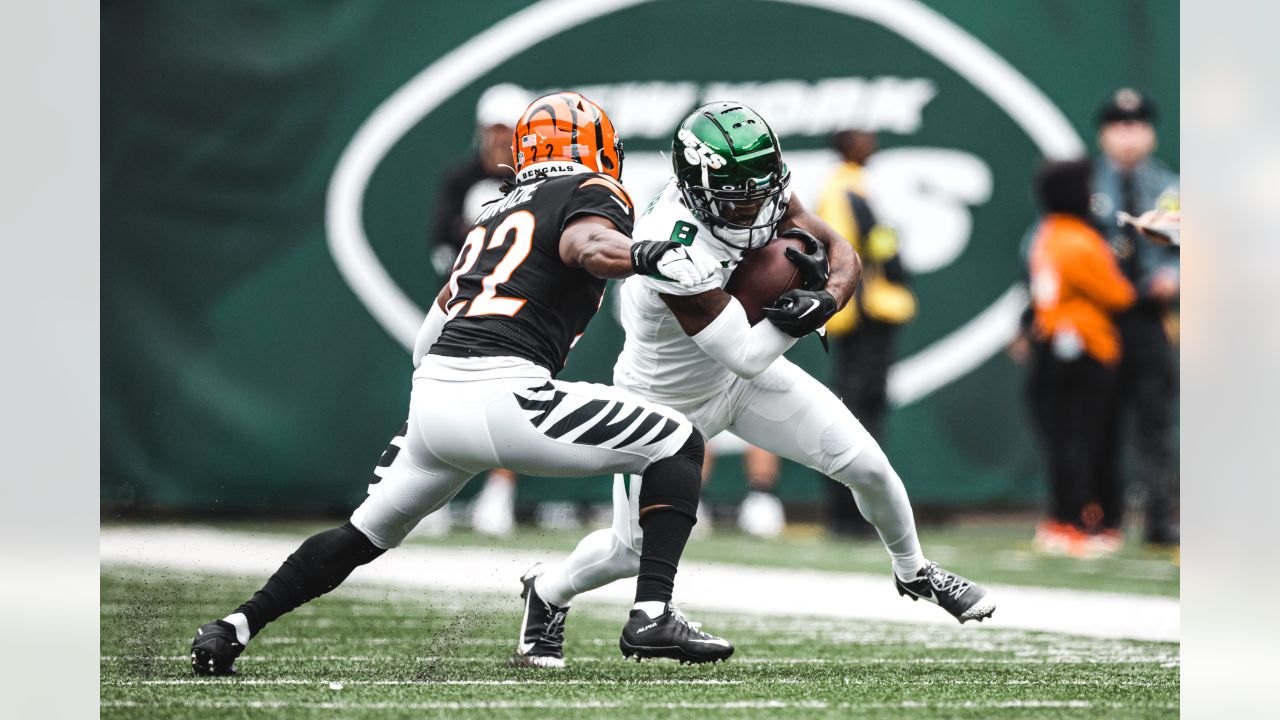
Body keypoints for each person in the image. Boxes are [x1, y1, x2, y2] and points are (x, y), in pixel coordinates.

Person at [189, 92, 735, 675]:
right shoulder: (590, 191)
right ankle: (652, 613)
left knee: (363, 533)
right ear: (593, 146)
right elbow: (587, 245)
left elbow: (434, 328)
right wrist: (649, 253)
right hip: (503, 392)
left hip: (437, 398)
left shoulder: (495, 211)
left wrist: (424, 419)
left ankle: (234, 626)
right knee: (677, 442)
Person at [513, 103, 996, 668]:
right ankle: (547, 591)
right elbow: (742, 353)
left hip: (743, 375)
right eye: (736, 194)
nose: (751, 205)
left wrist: (829, 297)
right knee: (628, 551)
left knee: (867, 465)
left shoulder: (762, 191)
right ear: (697, 186)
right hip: (665, 402)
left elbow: (842, 251)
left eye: (758, 190)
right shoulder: (672, 243)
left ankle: (915, 571)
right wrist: (805, 318)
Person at [427, 83, 533, 537]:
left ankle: (499, 492)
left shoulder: (537, 182)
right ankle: (428, 493)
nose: (499, 141)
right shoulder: (459, 179)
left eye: (508, 131)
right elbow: (438, 250)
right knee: (439, 395)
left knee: (513, 401)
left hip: (522, 314)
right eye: (493, 131)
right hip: (465, 310)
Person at [1028, 160, 1136, 557]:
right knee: (1088, 441)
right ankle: (1082, 520)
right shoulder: (1080, 241)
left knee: (1064, 440)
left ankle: (1064, 517)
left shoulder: (1047, 234)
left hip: (1056, 347)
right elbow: (1119, 295)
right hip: (1089, 350)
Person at [1090, 88, 1181, 546]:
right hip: (1100, 315)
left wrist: (1173, 276)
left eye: (1138, 126)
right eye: (1120, 126)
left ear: (1151, 133)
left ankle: (1161, 518)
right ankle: (1100, 516)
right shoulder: (1086, 186)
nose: (1129, 136)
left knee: (1157, 421)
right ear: (1105, 134)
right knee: (1097, 418)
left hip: (1149, 315)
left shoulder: (1169, 188)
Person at [816, 130, 917, 536]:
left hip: (850, 317)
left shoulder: (837, 186)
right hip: (865, 316)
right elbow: (876, 246)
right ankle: (855, 514)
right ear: (848, 147)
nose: (871, 144)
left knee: (848, 408)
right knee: (861, 412)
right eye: (863, 139)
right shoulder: (851, 187)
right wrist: (897, 266)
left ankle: (848, 512)